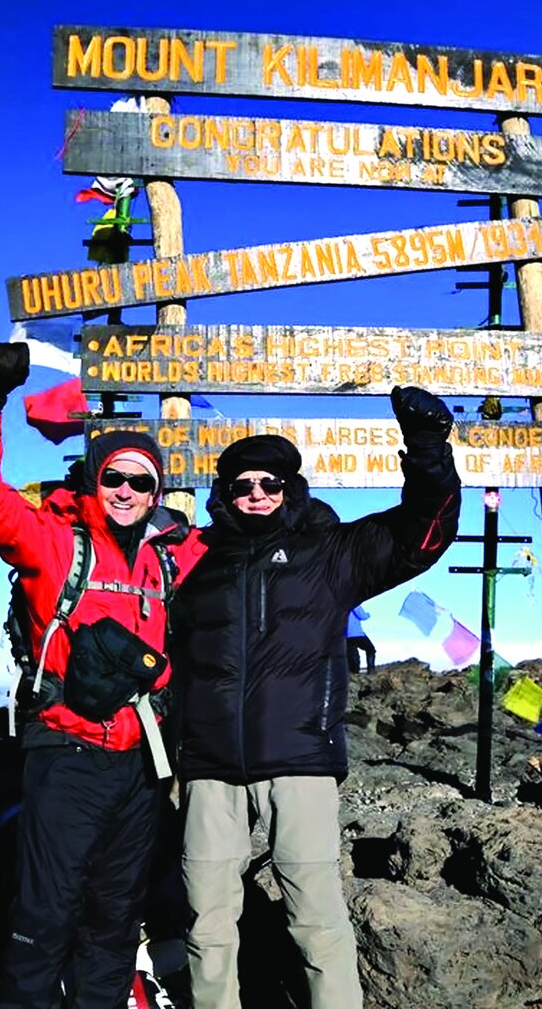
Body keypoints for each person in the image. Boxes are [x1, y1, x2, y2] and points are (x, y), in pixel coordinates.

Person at [169, 385, 462, 1009]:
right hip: (208, 772)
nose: (256, 494)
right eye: (244, 484)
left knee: (318, 925)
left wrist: (429, 446)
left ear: (289, 490)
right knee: (206, 928)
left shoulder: (330, 553)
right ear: (225, 493)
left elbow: (423, 531)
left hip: (300, 765)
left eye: (270, 484)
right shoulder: (194, 563)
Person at [0, 342, 195, 1009]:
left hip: (143, 766)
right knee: (45, 914)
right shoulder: (54, 541)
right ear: (93, 479)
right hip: (67, 754)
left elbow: (254, 546)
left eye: (142, 482)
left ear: (157, 492)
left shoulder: (170, 561)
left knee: (117, 918)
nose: (126, 492)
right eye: (114, 477)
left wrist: (294, 508)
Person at [346, 605, 376, 674]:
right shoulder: (353, 600)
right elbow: (362, 615)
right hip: (356, 633)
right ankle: (371, 670)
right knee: (371, 649)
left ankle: (354, 673)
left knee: (352, 655)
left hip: (345, 634)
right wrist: (368, 614)